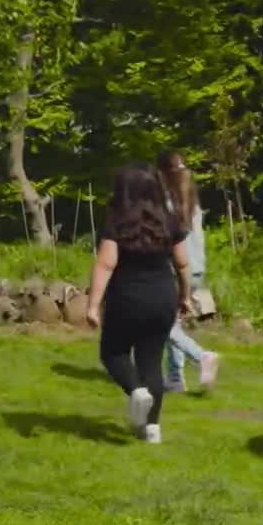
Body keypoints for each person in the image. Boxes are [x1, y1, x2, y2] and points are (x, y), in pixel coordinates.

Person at [87, 164, 194, 444]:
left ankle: (136, 390)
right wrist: (185, 296)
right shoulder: (169, 221)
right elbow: (183, 264)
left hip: (126, 299)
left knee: (113, 353)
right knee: (151, 361)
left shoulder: (117, 222)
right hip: (162, 299)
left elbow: (105, 264)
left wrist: (93, 305)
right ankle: (152, 429)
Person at [156, 151, 219, 393]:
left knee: (160, 323)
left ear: (162, 173)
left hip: (176, 270)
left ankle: (201, 356)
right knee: (174, 323)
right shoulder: (191, 200)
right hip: (196, 269)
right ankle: (175, 378)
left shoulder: (166, 204)